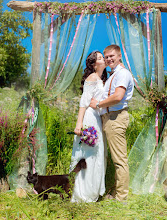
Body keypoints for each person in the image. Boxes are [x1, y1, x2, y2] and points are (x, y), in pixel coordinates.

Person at [90, 45, 134, 201]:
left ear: (120, 55)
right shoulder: (115, 74)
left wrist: (98, 104)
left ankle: (121, 197)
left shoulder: (122, 74)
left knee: (119, 159)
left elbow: (118, 96)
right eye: (106, 56)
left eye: (112, 56)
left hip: (116, 117)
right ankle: (115, 191)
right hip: (109, 118)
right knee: (114, 157)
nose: (109, 59)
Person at [70, 51, 107, 202]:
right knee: (88, 153)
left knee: (98, 153)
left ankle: (93, 190)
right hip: (90, 118)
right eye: (100, 58)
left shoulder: (101, 78)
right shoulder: (92, 77)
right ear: (93, 64)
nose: (103, 59)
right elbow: (84, 102)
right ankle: (82, 192)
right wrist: (79, 124)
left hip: (98, 118)